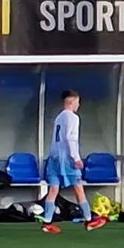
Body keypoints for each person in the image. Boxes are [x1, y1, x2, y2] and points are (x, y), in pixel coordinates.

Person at [39, 90, 107, 234]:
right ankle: (89, 220)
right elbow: (71, 138)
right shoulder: (72, 117)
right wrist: (76, 158)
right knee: (78, 187)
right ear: (72, 102)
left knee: (53, 189)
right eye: (77, 102)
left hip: (54, 157)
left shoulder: (59, 117)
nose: (79, 105)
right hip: (66, 158)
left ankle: (47, 222)